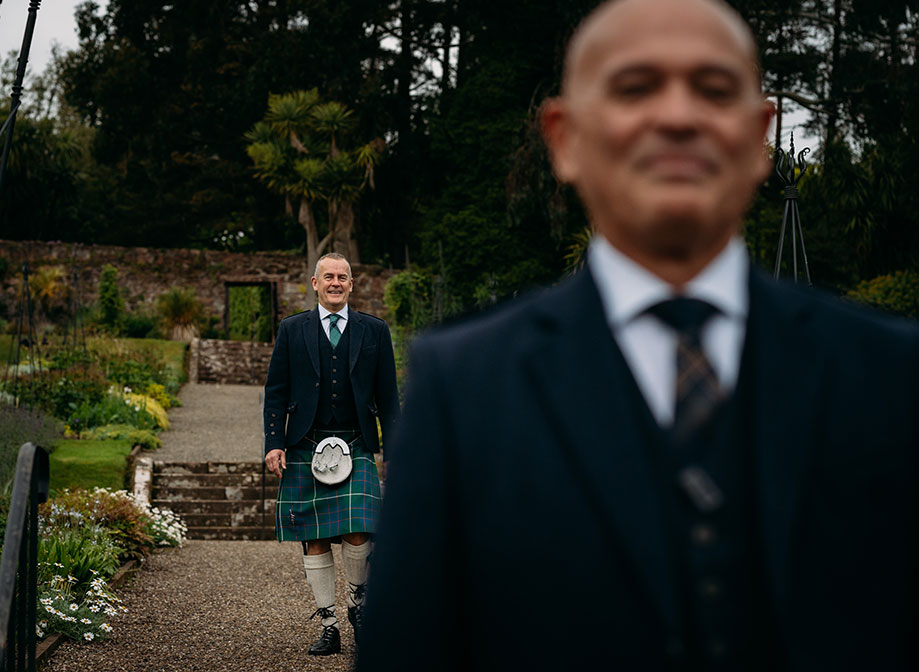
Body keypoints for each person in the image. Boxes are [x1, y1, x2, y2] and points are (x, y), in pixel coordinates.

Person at [358, 0, 919, 670]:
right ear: (564, 139)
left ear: (757, 134)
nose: (677, 117)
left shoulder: (890, 372)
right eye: (634, 88)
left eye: (713, 90)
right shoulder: (461, 385)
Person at [263, 252, 399, 656]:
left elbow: (389, 398)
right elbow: (276, 392)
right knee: (315, 537)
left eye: (343, 277)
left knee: (360, 528)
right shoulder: (292, 329)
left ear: (352, 285)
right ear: (315, 283)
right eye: (329, 277)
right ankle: (328, 624)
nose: (336, 282)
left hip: (355, 443)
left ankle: (358, 605)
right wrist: (273, 442)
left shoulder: (374, 330)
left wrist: (393, 450)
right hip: (306, 444)